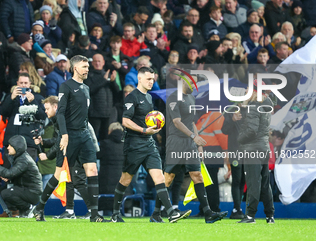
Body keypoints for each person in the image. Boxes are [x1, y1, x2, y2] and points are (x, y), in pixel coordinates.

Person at [30, 55, 107, 222]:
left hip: (84, 135)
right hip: (70, 136)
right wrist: (64, 135)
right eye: (84, 66)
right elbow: (61, 113)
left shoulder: (86, 88)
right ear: (74, 68)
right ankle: (39, 208)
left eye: (88, 66)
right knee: (59, 175)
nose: (87, 69)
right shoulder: (66, 86)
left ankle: (94, 215)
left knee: (92, 170)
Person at [110, 66, 191, 223]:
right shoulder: (132, 97)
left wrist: (155, 128)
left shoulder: (148, 98)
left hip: (149, 144)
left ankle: (166, 213)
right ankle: (114, 214)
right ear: (139, 79)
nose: (151, 82)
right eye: (148, 79)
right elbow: (125, 121)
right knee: (125, 180)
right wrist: (143, 129)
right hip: (133, 145)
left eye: (153, 79)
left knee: (160, 178)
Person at [150, 74, 228, 223]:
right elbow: (177, 122)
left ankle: (208, 214)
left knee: (197, 175)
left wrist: (197, 143)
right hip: (176, 142)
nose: (194, 86)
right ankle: (155, 214)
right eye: (192, 83)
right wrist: (194, 137)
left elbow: (191, 122)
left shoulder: (191, 98)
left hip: (190, 143)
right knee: (168, 178)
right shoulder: (174, 97)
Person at [33, 96, 94, 219]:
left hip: (80, 151)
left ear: (55, 107)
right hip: (74, 150)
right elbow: (58, 139)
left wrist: (48, 155)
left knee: (76, 181)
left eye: (47, 108)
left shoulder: (63, 119)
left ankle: (39, 208)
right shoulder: (62, 118)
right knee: (70, 181)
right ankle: (70, 211)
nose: (45, 111)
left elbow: (62, 140)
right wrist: (44, 143)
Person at [237, 80, 275, 224]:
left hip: (253, 149)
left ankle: (250, 216)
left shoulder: (254, 106)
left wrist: (240, 139)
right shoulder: (266, 104)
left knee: (253, 183)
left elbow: (251, 131)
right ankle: (270, 215)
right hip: (264, 148)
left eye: (248, 90)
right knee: (265, 183)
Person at [0, 135, 43, 218]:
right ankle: (14, 211)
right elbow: (20, 176)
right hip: (27, 189)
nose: (8, 148)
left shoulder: (23, 160)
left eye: (11, 146)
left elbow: (9, 173)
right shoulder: (19, 157)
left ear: (17, 147)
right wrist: (10, 179)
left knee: (5, 193)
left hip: (33, 192)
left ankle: (28, 208)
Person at [0, 73, 46, 161]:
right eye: (21, 83)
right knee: (7, 172)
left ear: (30, 84)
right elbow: (3, 112)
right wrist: (11, 98)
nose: (23, 85)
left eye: (25, 83)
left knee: (27, 172)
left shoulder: (38, 98)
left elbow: (42, 116)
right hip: (11, 141)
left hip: (29, 141)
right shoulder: (11, 96)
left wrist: (33, 101)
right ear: (17, 83)